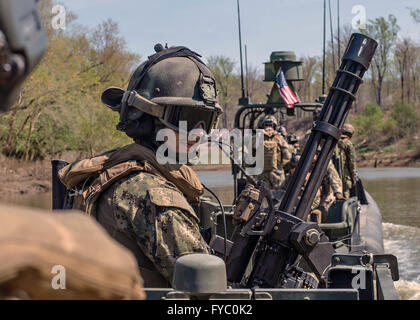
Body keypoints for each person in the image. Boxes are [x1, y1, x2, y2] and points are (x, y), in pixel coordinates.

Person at [58, 45, 223, 287]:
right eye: (186, 119)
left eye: (206, 121)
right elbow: (209, 292)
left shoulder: (119, 170)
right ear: (148, 117)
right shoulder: (153, 195)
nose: (198, 132)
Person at [256, 114, 292, 190]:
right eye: (267, 125)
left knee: (261, 198)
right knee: (279, 198)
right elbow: (288, 156)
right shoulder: (280, 138)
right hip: (277, 174)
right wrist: (279, 165)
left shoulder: (256, 138)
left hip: (262, 174)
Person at [338, 123, 357, 198]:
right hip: (344, 173)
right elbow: (352, 162)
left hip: (332, 172)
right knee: (345, 192)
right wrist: (353, 176)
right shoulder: (348, 144)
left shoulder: (333, 140)